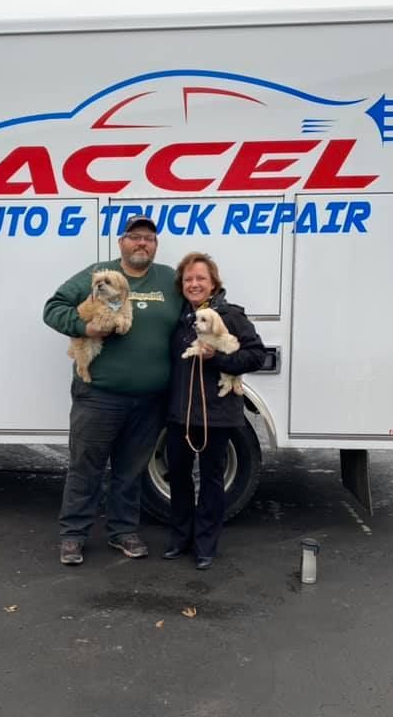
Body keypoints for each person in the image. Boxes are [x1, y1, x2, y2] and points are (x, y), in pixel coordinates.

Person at [43, 215, 183, 566]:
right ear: (121, 242)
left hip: (150, 399)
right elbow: (53, 307)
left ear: (156, 245)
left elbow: (204, 295)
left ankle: (123, 532)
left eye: (149, 238)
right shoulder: (98, 273)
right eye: (135, 237)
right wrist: (85, 327)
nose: (142, 243)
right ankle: (73, 535)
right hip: (100, 396)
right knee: (85, 466)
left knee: (131, 470)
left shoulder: (168, 278)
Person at [164, 252, 266, 570]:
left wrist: (217, 359)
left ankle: (205, 544)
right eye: (188, 279)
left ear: (213, 284)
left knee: (211, 480)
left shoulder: (230, 316)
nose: (194, 284)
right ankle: (180, 538)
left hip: (216, 416)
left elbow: (255, 355)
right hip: (180, 414)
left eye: (201, 279)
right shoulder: (178, 319)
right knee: (178, 478)